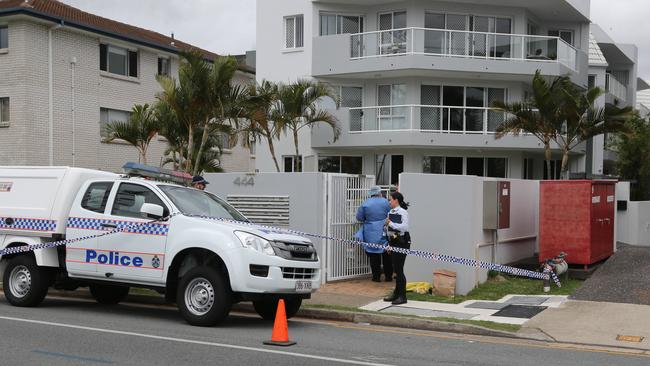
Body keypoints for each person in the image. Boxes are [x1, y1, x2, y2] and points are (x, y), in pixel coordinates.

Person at [355, 186, 393, 282]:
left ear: (370, 193)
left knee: (373, 254)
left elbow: (359, 217)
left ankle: (376, 277)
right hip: (384, 229)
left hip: (370, 231)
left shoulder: (365, 203)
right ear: (380, 193)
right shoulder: (385, 202)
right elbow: (391, 214)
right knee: (386, 254)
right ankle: (388, 276)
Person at [383, 191, 410, 305]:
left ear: (396, 200)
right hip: (394, 241)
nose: (389, 201)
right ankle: (396, 293)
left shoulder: (403, 212)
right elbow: (390, 230)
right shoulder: (391, 212)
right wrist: (389, 244)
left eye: (390, 199)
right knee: (396, 270)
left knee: (399, 270)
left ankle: (402, 296)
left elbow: (404, 227)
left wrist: (390, 224)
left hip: (402, 242)